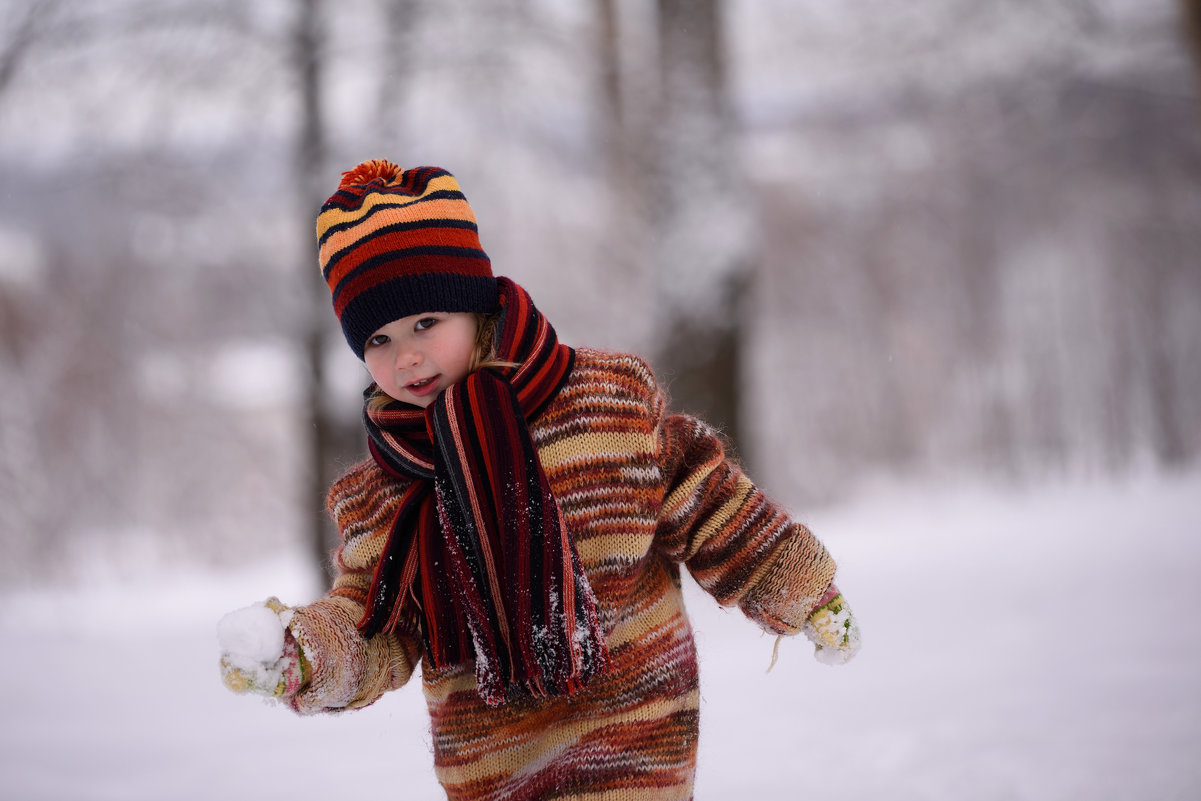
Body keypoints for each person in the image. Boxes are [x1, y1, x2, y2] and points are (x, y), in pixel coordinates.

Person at [218, 160, 861, 800]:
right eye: (378, 340)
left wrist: (801, 586)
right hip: (494, 774)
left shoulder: (602, 408)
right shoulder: (385, 493)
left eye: (425, 324)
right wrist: (310, 656)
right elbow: (377, 623)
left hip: (635, 746)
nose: (406, 356)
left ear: (475, 307)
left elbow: (709, 503)